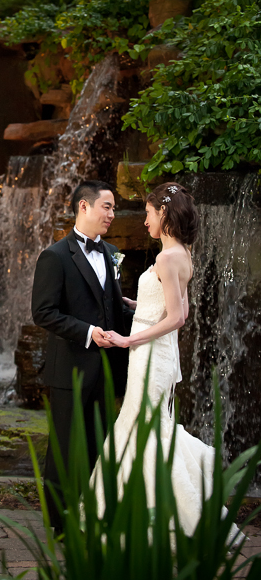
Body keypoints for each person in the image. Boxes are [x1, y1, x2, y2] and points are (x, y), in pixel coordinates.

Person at [94, 181, 239, 539]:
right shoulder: (182, 253)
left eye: (146, 213)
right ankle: (138, 511)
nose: (144, 222)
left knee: (144, 429)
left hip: (150, 355)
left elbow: (178, 318)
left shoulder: (166, 257)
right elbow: (175, 305)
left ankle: (155, 519)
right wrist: (135, 306)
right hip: (155, 353)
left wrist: (128, 339)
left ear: (162, 212)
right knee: (145, 428)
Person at [31, 179, 133, 532]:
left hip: (107, 371)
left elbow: (110, 305)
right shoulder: (55, 256)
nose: (112, 214)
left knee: (100, 445)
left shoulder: (112, 253)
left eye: (114, 208)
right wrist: (89, 333)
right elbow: (43, 313)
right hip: (70, 371)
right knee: (64, 450)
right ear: (84, 207)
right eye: (107, 206)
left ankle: (93, 517)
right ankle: (59, 527)